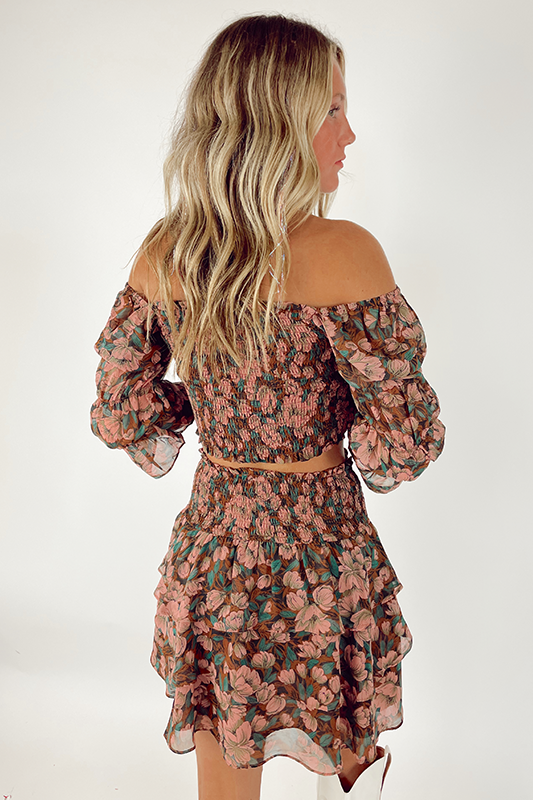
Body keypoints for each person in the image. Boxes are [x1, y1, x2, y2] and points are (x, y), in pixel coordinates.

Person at [90, 14, 445, 800]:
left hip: (217, 544)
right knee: (347, 747)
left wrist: (214, 406)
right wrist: (323, 413)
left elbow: (121, 408)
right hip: (322, 543)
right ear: (277, 120)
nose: (348, 134)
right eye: (332, 110)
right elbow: (404, 441)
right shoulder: (344, 252)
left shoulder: (170, 250)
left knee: (226, 751)